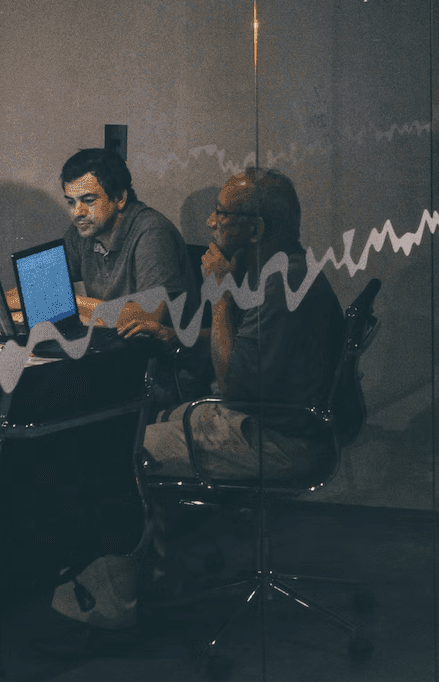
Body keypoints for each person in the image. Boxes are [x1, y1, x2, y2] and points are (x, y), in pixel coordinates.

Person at [141, 168, 343, 482]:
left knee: (130, 446)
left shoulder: (282, 286)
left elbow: (232, 388)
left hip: (281, 441)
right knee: (147, 419)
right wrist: (175, 336)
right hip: (266, 420)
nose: (210, 221)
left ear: (255, 230)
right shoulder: (282, 269)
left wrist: (220, 294)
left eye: (221, 213)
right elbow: (243, 346)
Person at [54, 148, 197, 345]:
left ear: (120, 198)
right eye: (71, 202)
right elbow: (37, 293)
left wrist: (72, 303)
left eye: (88, 200)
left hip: (159, 359)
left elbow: (149, 317)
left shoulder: (152, 232)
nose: (77, 212)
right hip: (114, 348)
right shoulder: (82, 230)